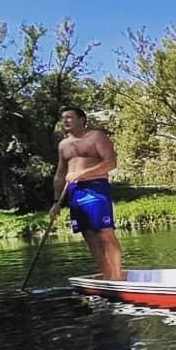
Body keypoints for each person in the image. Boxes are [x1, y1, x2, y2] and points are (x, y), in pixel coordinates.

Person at [50, 106, 123, 280]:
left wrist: (82, 174)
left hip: (96, 187)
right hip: (75, 192)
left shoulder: (96, 137)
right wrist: (56, 201)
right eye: (63, 118)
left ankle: (118, 276)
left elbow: (111, 163)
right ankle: (107, 275)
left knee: (105, 232)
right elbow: (60, 174)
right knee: (89, 235)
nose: (65, 121)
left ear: (82, 119)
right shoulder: (63, 145)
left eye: (69, 117)